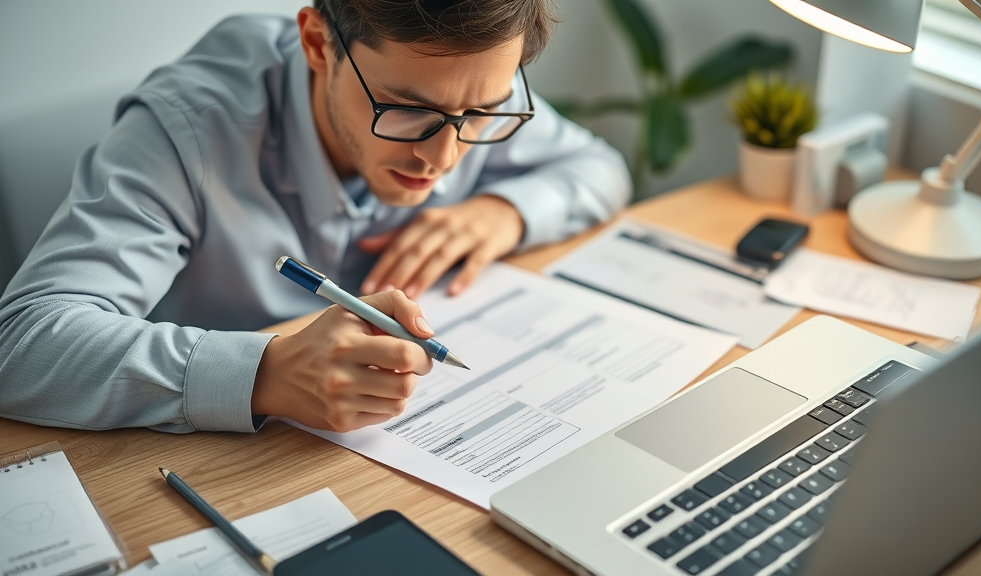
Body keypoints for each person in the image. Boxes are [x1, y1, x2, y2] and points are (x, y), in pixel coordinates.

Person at [0, 0, 629, 435]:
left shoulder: (462, 88)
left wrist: (504, 213)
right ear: (317, 43)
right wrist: (263, 373)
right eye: (407, 110)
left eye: (482, 113)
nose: (444, 157)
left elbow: (602, 170)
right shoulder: (186, 130)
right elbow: (21, 344)